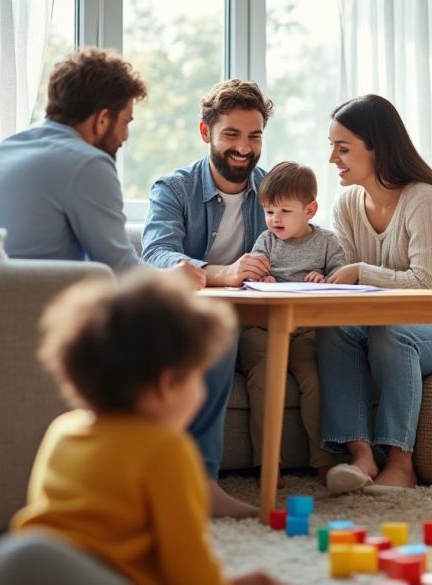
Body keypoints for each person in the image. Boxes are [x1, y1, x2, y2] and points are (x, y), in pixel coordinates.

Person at [0, 272, 279, 585]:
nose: (201, 391)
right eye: (198, 377)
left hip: (5, 558)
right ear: (167, 383)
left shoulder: (63, 429)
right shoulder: (166, 448)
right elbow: (186, 561)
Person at [319, 94, 432, 494]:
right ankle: (362, 457)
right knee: (334, 329)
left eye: (343, 148)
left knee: (393, 334)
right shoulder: (348, 204)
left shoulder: (426, 200)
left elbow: (425, 285)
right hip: (392, 323)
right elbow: (352, 287)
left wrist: (357, 271)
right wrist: (330, 278)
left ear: (377, 148)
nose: (333, 158)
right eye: (332, 147)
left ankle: (401, 464)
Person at [0, 48, 203, 286]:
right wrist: (175, 278)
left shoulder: (7, 148)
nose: (126, 136)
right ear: (102, 119)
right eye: (126, 122)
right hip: (37, 315)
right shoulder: (88, 163)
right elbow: (121, 271)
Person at [141, 80, 274, 518]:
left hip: (263, 318)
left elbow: (305, 243)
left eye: (254, 136)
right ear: (206, 133)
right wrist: (223, 275)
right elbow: (156, 253)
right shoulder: (173, 189)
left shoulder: (273, 190)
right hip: (197, 320)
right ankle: (202, 481)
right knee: (216, 329)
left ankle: (345, 469)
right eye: (231, 135)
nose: (244, 148)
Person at [239, 161, 345, 479]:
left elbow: (343, 277)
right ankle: (268, 462)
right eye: (269, 211)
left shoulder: (327, 242)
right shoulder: (265, 242)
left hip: (307, 330)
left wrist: (325, 277)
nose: (275, 220)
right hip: (264, 328)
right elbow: (249, 277)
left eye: (285, 211)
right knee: (262, 378)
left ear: (310, 210)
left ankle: (323, 459)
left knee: (314, 379)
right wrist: (263, 279)